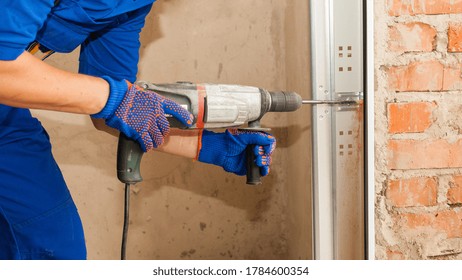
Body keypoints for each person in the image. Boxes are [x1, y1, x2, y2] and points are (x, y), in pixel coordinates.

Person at [0, 0, 276, 260]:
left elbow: (114, 109)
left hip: (5, 121)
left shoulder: (130, 3)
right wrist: (115, 98)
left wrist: (207, 146)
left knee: (53, 249)